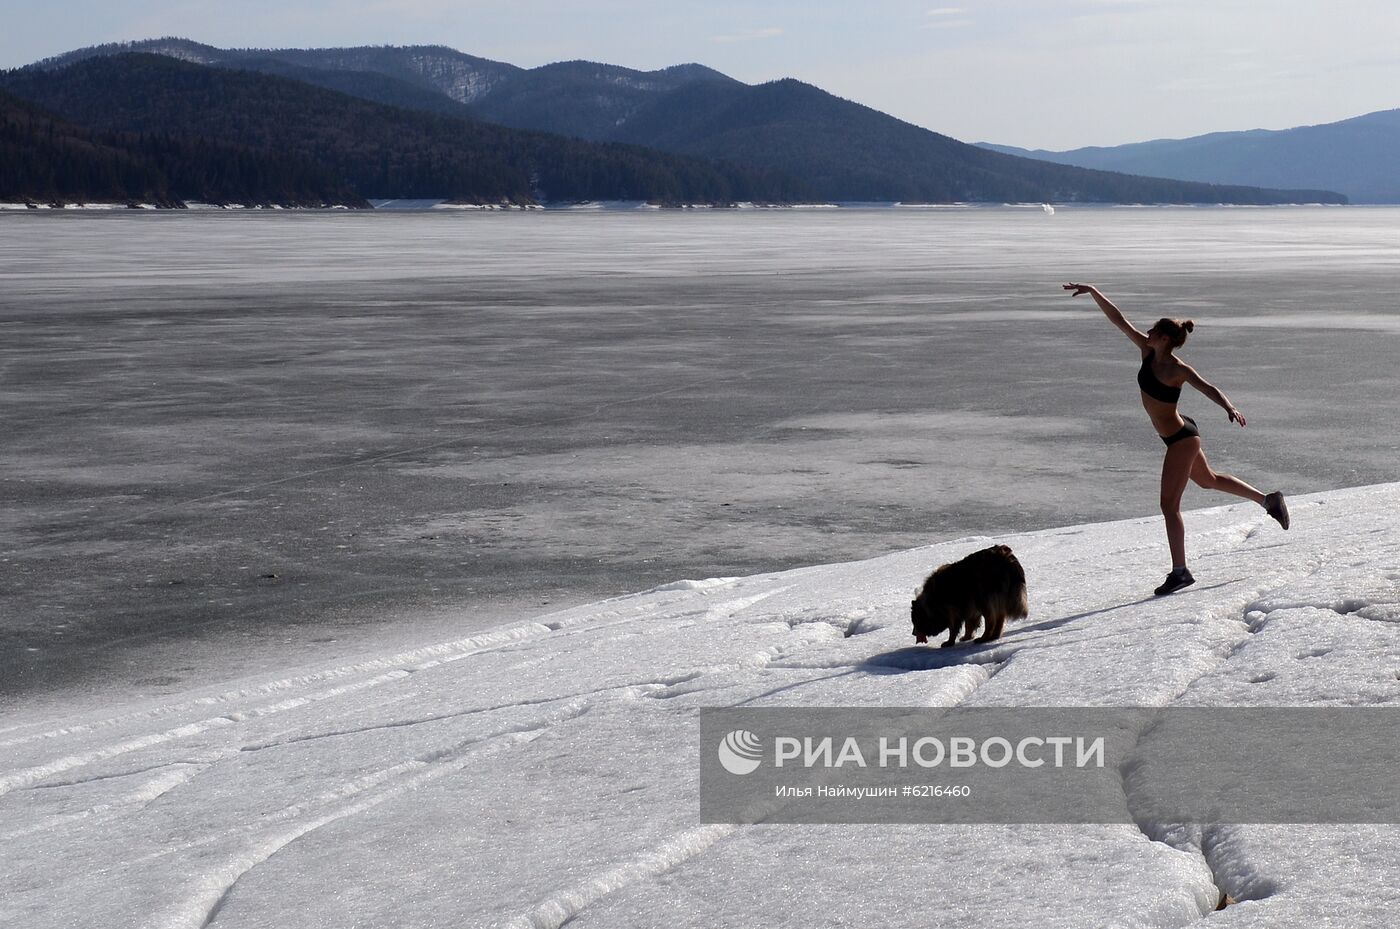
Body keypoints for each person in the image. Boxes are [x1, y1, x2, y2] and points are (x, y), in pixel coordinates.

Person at [1064, 283, 1289, 595]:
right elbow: (1118, 319)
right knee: (1209, 480)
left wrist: (1229, 407)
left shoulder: (1177, 369)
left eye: (1154, 330)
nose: (1148, 331)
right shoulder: (1147, 351)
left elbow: (1207, 387)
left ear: (1165, 339)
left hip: (1181, 439)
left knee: (1169, 505)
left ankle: (1180, 572)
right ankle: (1268, 500)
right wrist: (1092, 290)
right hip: (1179, 435)